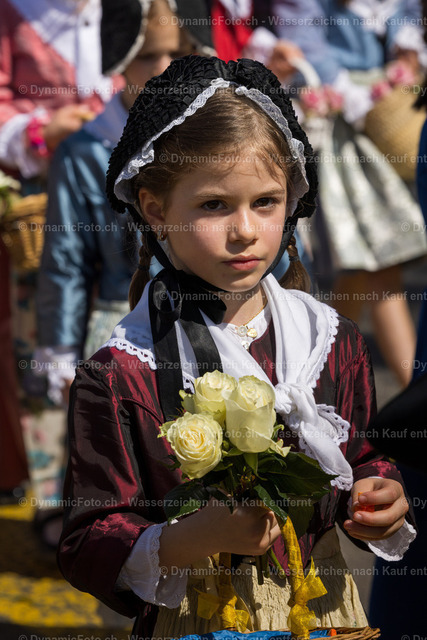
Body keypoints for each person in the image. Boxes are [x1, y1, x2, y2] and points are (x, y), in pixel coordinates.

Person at [58, 56, 414, 636]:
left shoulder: (331, 340)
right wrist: (189, 538)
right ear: (155, 209)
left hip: (324, 615)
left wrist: (378, 494)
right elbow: (86, 542)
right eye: (214, 205)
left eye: (265, 202)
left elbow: (361, 454)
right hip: (196, 620)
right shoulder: (123, 372)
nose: (245, 230)